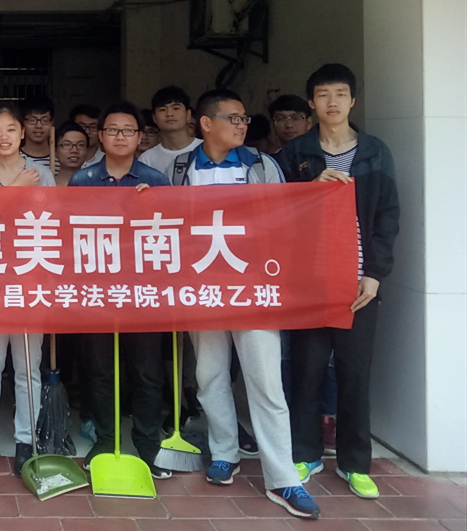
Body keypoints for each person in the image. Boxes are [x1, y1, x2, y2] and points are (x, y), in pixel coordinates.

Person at [172, 89, 321, 520]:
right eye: (233, 119)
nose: (242, 125)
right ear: (206, 124)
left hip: (253, 288)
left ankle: (283, 478)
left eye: (243, 119)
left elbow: (287, 218)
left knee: (266, 382)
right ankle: (225, 453)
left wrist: (316, 193)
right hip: (202, 288)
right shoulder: (180, 168)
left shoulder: (260, 165)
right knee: (209, 375)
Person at [279, 64, 399, 501]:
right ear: (312, 103)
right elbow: (278, 212)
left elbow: (387, 217)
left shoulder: (375, 152)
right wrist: (310, 188)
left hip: (358, 284)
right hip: (310, 280)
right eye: (323, 94)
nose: (332, 102)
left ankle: (355, 463)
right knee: (306, 371)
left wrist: (375, 275)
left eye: (341, 94)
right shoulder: (296, 153)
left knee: (354, 375)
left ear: (353, 101)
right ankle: (305, 453)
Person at [69, 102, 172, 478]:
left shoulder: (156, 181)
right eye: (112, 130)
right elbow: (69, 234)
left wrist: (154, 207)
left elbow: (172, 235)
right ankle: (106, 439)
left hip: (143, 294)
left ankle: (147, 443)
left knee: (146, 372)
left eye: (128, 130)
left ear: (140, 137)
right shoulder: (83, 181)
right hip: (97, 293)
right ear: (100, 136)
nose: (120, 137)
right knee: (99, 371)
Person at [0, 103, 54, 475]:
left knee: (27, 366)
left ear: (22, 134)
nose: (4, 136)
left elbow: (50, 222)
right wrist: (16, 190)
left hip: (30, 280)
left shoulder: (43, 174)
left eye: (11, 129)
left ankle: (25, 439)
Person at [138, 87, 201, 176]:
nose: (169, 114)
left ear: (188, 114)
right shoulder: (146, 159)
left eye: (176, 108)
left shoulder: (205, 149)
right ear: (154, 118)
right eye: (162, 110)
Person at [18, 96, 54, 169]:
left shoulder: (62, 159)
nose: (39, 126)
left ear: (52, 122)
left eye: (45, 120)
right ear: (22, 122)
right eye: (32, 120)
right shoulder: (14, 158)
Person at [54, 120, 89, 187]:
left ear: (87, 150)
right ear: (55, 151)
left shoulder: (94, 184)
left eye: (80, 145)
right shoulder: (47, 184)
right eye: (67, 144)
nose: (74, 150)